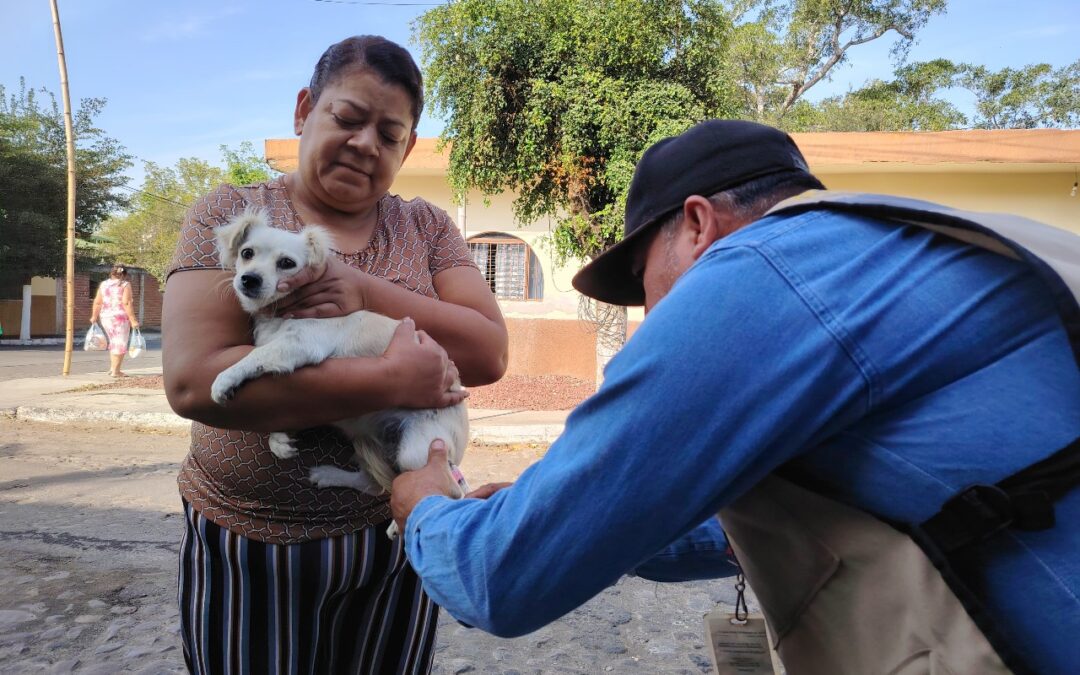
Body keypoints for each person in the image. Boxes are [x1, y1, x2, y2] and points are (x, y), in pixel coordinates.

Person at [390, 120, 1080, 673]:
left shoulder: (760, 275)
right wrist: (596, 516)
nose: (652, 315)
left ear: (697, 224)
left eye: (643, 277)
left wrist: (423, 505)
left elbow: (500, 577)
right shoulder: (896, 245)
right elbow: (770, 523)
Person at [161, 35, 508, 674]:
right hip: (251, 540)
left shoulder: (426, 227)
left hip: (397, 538)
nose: (365, 144)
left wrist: (365, 290)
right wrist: (386, 378)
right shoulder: (236, 214)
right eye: (347, 118)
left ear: (406, 148)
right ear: (304, 110)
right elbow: (192, 383)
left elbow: (488, 352)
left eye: (390, 133)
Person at [90, 264, 140, 377]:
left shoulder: (103, 285)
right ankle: (116, 371)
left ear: (111, 273)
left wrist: (94, 316)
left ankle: (113, 368)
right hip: (120, 318)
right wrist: (133, 320)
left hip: (106, 317)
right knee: (120, 343)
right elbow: (126, 302)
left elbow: (98, 302)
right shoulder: (125, 285)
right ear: (124, 274)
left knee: (114, 342)